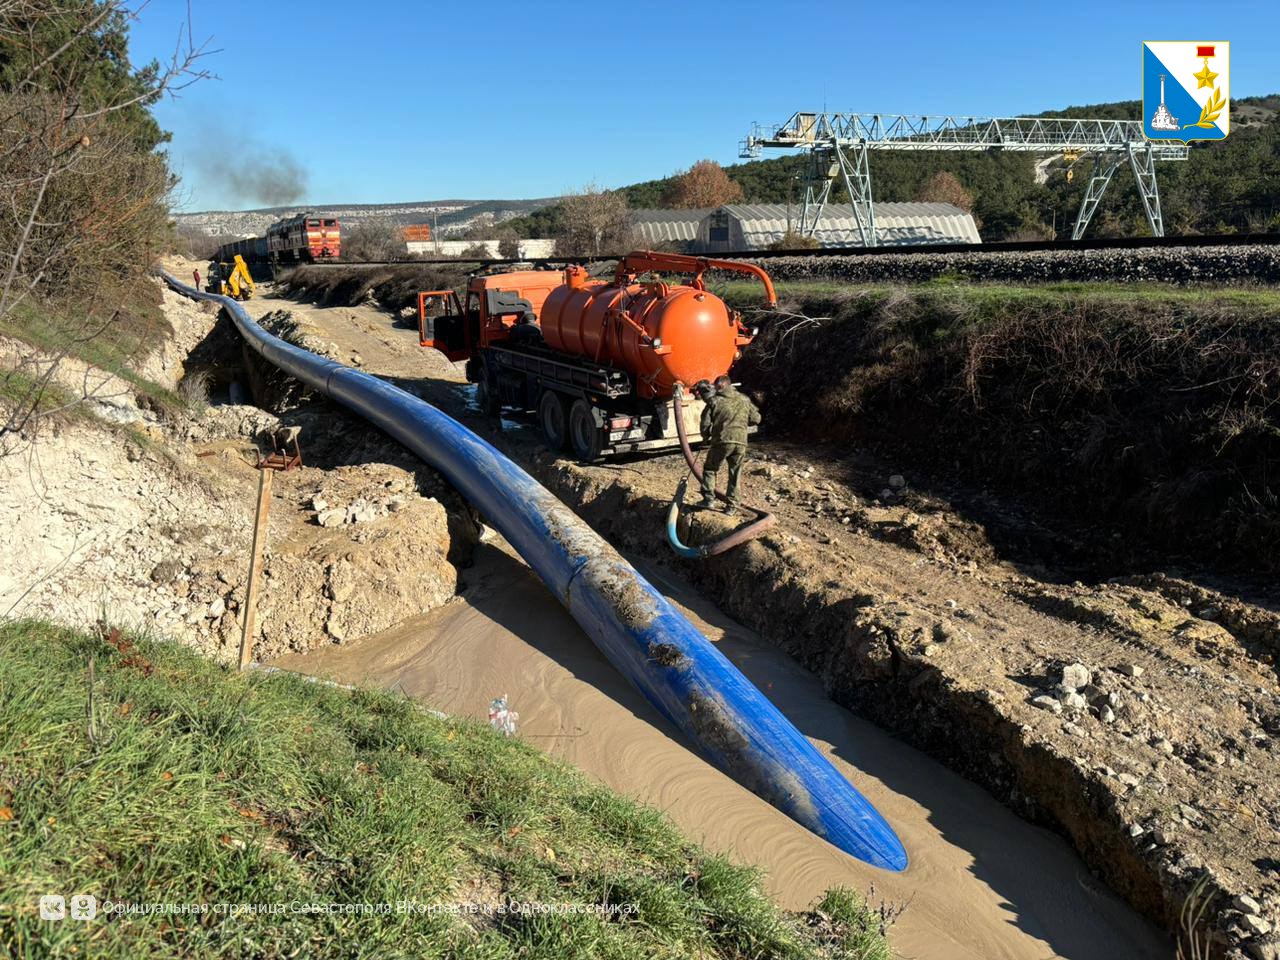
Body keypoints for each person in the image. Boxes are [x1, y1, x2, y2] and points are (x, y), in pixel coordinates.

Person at [694, 376, 761, 516]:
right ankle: (732, 506)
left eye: (717, 387)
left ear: (722, 386)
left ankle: (708, 500)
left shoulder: (714, 401)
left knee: (710, 469)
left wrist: (705, 437)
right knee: (735, 473)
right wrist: (741, 422)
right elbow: (756, 419)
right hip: (741, 442)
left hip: (722, 441)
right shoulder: (744, 399)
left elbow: (705, 423)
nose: (716, 389)